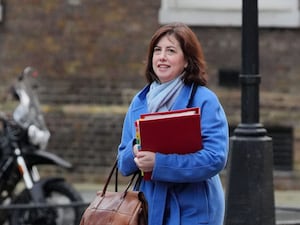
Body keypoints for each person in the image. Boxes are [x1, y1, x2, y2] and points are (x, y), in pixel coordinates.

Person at [117, 22, 229, 225]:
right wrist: (135, 152)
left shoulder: (204, 100)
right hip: (149, 210)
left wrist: (159, 163)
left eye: (171, 51)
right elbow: (123, 164)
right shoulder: (139, 102)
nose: (162, 57)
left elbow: (215, 158)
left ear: (186, 60)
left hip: (195, 210)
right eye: (157, 50)